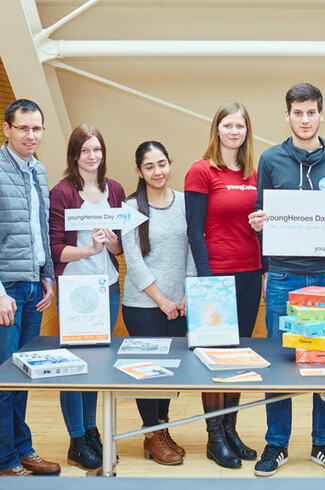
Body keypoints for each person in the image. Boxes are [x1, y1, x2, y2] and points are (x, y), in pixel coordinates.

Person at [248, 82, 325, 477]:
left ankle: (323, 443)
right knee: (280, 362)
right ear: (287, 115)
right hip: (283, 274)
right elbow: (261, 212)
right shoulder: (270, 159)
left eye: (311, 112)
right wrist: (257, 222)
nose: (304, 119)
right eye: (297, 113)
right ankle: (276, 444)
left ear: (321, 114)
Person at [185, 102, 260, 469]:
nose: (234, 131)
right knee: (214, 357)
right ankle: (214, 436)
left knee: (239, 356)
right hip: (215, 277)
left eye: (240, 126)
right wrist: (206, 278)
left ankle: (231, 429)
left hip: (251, 273)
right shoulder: (201, 171)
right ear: (217, 129)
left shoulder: (254, 173)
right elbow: (194, 230)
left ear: (247, 131)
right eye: (228, 125)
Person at [49, 123, 125, 471]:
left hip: (107, 286)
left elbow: (121, 248)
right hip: (76, 289)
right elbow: (55, 250)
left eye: (97, 150)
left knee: (96, 364)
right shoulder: (63, 192)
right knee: (73, 367)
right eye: (86, 151)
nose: (92, 157)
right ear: (75, 155)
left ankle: (92, 430)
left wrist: (110, 245)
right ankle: (76, 439)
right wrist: (89, 249)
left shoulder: (115, 190)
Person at [123, 141, 195, 466]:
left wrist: (185, 294)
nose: (157, 171)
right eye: (149, 166)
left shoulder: (184, 202)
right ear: (139, 171)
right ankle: (153, 435)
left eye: (162, 163)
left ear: (170, 164)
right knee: (148, 374)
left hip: (178, 303)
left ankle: (161, 430)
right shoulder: (130, 207)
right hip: (143, 305)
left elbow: (193, 248)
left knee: (169, 373)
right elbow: (134, 263)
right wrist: (162, 300)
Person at [0, 99, 61, 477]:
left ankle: (21, 448)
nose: (31, 135)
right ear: (6, 129)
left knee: (23, 376)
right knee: (3, 380)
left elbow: (41, 230)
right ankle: (5, 460)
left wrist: (48, 275)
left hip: (33, 287)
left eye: (37, 128)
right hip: (6, 291)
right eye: (23, 128)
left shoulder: (38, 170)